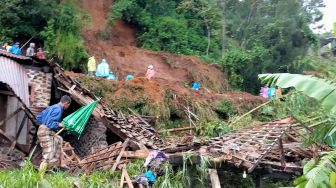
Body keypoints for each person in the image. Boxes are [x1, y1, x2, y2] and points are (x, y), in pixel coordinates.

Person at [36, 95, 71, 171]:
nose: (68, 107)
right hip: (46, 131)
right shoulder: (58, 109)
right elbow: (50, 123)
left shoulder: (52, 107)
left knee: (59, 139)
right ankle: (40, 175)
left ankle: (58, 164)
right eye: (68, 105)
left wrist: (43, 124)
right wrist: (59, 124)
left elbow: (38, 117)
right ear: (66, 103)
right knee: (49, 151)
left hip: (44, 129)